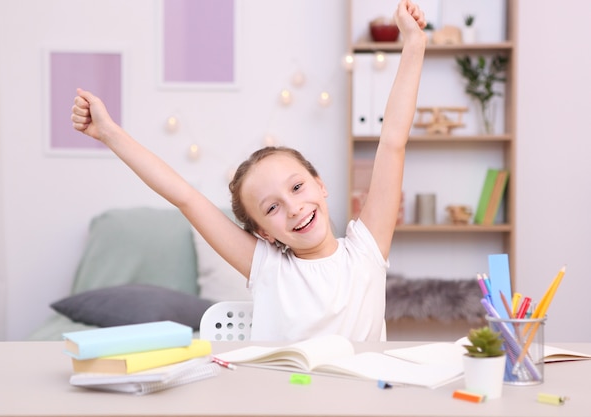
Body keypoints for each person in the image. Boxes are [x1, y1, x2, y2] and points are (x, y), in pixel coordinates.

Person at [71, 0, 427, 342]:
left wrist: (414, 44)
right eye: (272, 208)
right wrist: (109, 134)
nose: (293, 207)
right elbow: (184, 197)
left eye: (298, 187)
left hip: (359, 405)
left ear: (320, 185)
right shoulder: (268, 267)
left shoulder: (367, 250)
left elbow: (393, 141)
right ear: (264, 233)